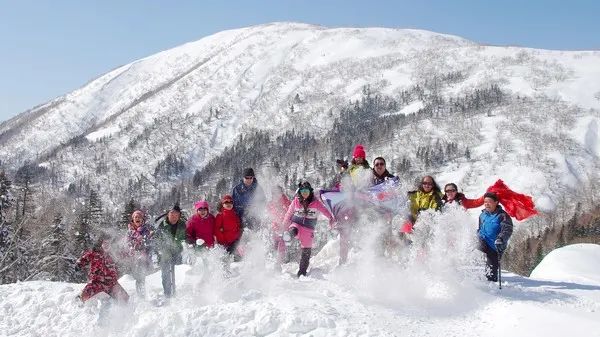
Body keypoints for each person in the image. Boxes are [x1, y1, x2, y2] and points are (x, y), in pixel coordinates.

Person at [282, 181, 335, 277]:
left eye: (307, 191)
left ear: (310, 192)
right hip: (296, 224)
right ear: (300, 192)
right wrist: (284, 225)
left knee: (306, 251)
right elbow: (289, 214)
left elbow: (325, 211)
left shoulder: (315, 203)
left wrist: (331, 218)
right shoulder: (296, 201)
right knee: (293, 229)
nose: (305, 194)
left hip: (308, 229)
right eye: (303, 191)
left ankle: (302, 271)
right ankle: (289, 236)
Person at [77, 235, 129, 303]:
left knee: (124, 298)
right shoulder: (95, 253)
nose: (106, 245)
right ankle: (78, 304)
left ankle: (121, 311)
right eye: (105, 243)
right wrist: (79, 264)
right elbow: (85, 258)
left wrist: (130, 255)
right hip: (97, 281)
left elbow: (124, 255)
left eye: (108, 243)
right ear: (101, 244)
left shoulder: (113, 254)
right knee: (85, 295)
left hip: (111, 283)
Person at [478, 192, 513, 282]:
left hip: (495, 246)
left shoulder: (502, 215)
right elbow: (480, 228)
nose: (486, 204)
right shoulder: (482, 215)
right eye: (485, 202)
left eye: (489, 202)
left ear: (496, 202)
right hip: (483, 241)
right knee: (473, 246)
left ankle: (491, 284)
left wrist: (500, 238)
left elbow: (507, 229)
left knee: (491, 270)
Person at [154, 203, 186, 298]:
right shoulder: (162, 225)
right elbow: (157, 240)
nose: (174, 216)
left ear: (179, 215)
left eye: (176, 214)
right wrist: (162, 249)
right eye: (172, 213)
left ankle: (179, 294)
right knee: (166, 273)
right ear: (168, 214)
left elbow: (185, 238)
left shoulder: (182, 225)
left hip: (178, 251)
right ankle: (168, 294)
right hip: (165, 253)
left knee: (181, 272)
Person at [126, 210, 153, 296]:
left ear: (142, 219)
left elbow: (150, 242)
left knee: (141, 275)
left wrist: (144, 241)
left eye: (139, 217)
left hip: (144, 256)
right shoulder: (130, 231)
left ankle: (142, 294)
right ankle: (140, 293)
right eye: (135, 217)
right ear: (133, 219)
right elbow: (127, 242)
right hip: (134, 257)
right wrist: (132, 247)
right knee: (138, 276)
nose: (137, 219)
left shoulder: (146, 229)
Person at [267, 186, 291, 265]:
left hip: (285, 227)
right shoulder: (270, 204)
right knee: (275, 244)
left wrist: (285, 224)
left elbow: (291, 213)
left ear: (281, 193)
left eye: (278, 193)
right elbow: (270, 216)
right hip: (275, 228)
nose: (277, 195)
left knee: (282, 244)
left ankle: (279, 263)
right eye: (274, 193)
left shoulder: (287, 202)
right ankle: (277, 259)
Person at [214, 195, 242, 259]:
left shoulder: (234, 214)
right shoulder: (220, 215)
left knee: (236, 258)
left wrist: (238, 236)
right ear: (222, 204)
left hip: (234, 241)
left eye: (230, 202)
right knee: (227, 258)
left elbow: (238, 226)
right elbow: (217, 229)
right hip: (225, 243)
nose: (229, 204)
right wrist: (222, 241)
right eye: (226, 202)